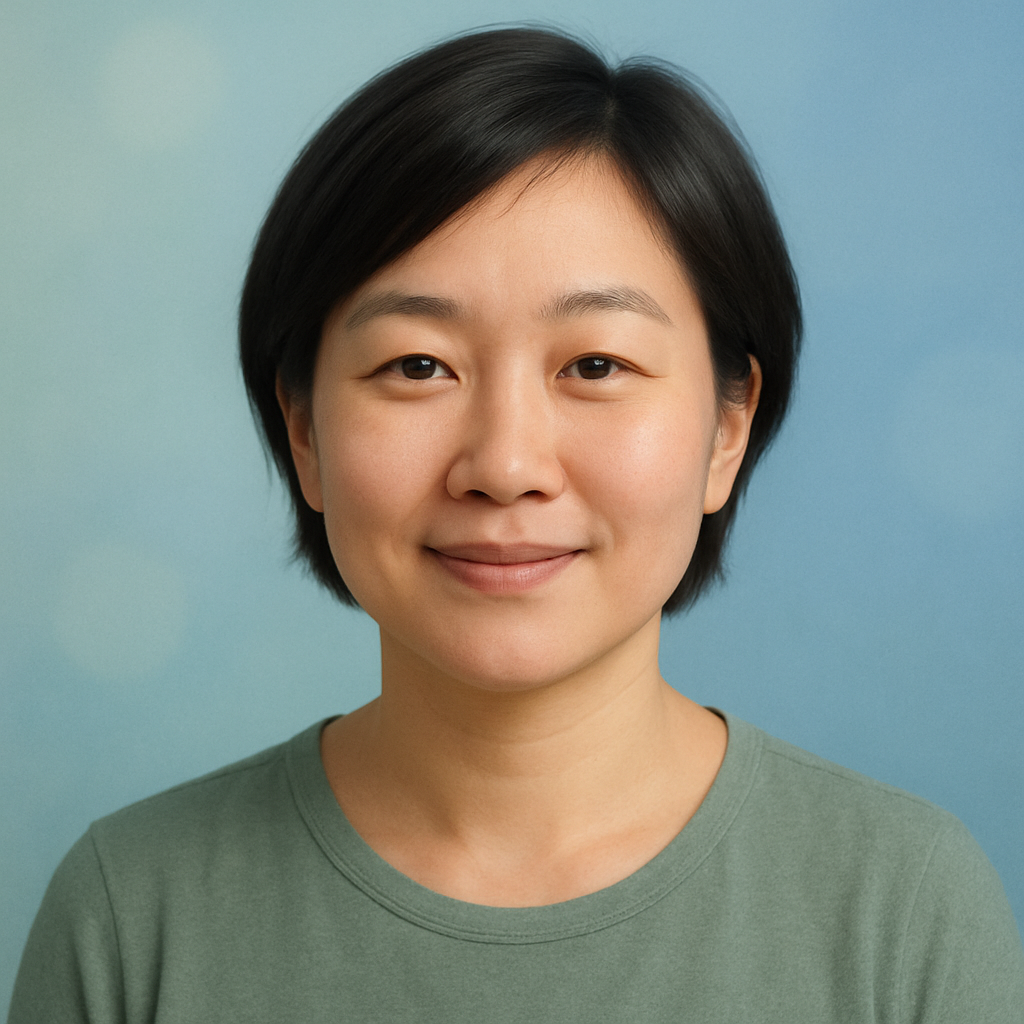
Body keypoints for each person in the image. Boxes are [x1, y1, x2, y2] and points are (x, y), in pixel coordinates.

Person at [9, 26, 1023, 1023]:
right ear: (304, 429)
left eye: (594, 366)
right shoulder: (131, 914)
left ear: (726, 427)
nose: (503, 466)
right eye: (417, 366)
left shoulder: (903, 910)